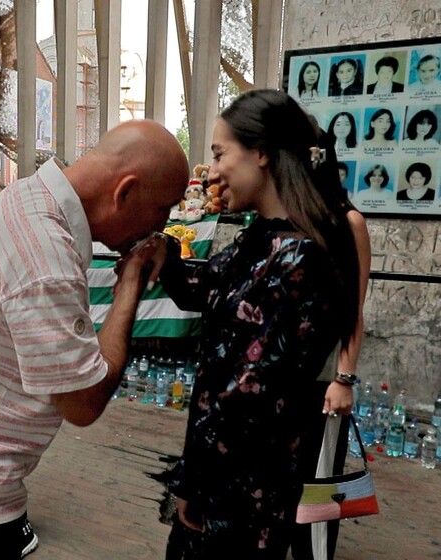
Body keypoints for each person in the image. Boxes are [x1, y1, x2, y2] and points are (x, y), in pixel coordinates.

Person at [0, 120, 189, 560]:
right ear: (124, 192)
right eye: (163, 210)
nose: (161, 226)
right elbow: (83, 402)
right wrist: (131, 282)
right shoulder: (45, 255)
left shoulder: (28, 195)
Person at [130, 89, 358, 558]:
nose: (211, 171)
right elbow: (210, 287)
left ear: (261, 153)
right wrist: (165, 256)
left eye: (219, 154)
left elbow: (246, 391)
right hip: (226, 475)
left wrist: (192, 481)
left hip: (246, 485)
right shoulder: (260, 237)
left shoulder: (303, 257)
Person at [291, 126, 372, 560]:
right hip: (278, 381)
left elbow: (353, 311)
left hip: (324, 384)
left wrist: (344, 377)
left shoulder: (348, 222)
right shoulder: (283, 220)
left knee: (318, 494)